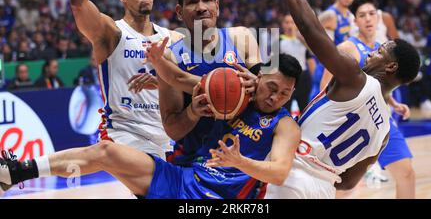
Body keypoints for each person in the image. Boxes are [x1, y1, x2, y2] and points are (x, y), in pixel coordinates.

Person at [0, 55, 301, 199]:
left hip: (219, 199)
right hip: (183, 178)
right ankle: (15, 172)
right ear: (257, 79)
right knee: (107, 151)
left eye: (285, 93)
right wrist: (160, 72)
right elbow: (188, 82)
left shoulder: (284, 124)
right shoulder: (234, 92)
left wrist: (240, 162)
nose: (275, 97)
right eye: (271, 87)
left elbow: (278, 171)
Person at [265, 0, 421, 199]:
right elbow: (348, 183)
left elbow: (309, 27)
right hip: (323, 190)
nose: (372, 53)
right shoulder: (383, 130)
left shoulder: (356, 78)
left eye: (380, 52)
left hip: (291, 175)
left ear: (391, 67)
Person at [68, 0, 182, 159]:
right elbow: (77, 3)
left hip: (170, 134)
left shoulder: (172, 37)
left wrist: (163, 82)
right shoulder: (111, 32)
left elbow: (186, 85)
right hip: (127, 133)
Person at [142, 0, 261, 166]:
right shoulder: (170, 57)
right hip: (198, 161)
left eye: (207, 0)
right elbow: (172, 129)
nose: (201, 7)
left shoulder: (241, 38)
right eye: (192, 2)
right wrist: (192, 112)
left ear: (217, 6)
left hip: (248, 157)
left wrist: (258, 85)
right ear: (179, 12)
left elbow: (266, 101)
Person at [320, 0, 416, 199]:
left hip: (381, 121)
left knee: (406, 173)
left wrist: (394, 103)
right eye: (362, 15)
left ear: (379, 17)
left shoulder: (384, 48)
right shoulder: (348, 47)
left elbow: (381, 87)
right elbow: (325, 86)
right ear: (355, 21)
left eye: (372, 13)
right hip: (352, 124)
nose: (368, 19)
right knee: (343, 188)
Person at [279, 14, 312, 112]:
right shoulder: (278, 40)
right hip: (286, 77)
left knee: (304, 107)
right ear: (283, 25)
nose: (290, 25)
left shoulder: (302, 40)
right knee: (285, 107)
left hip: (303, 77)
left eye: (292, 22)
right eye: (287, 22)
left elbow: (310, 57)